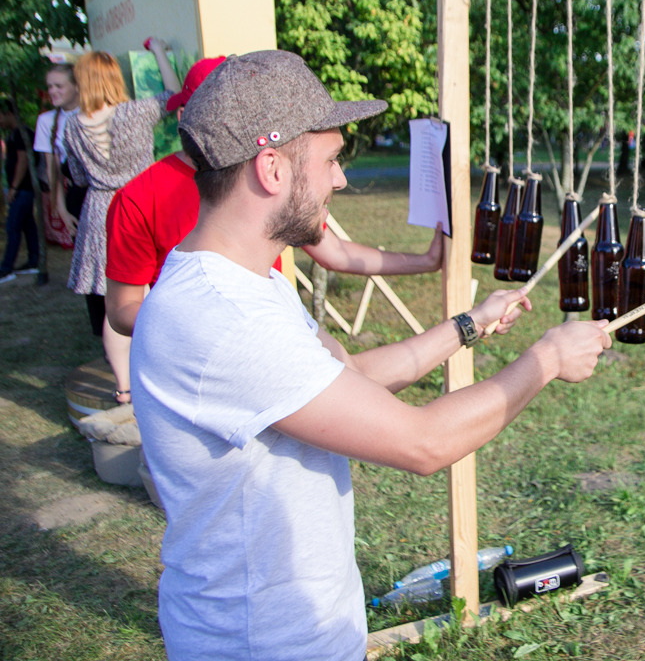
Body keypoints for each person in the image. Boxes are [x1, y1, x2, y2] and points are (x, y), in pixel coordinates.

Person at [131, 50, 611, 660]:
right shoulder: (223, 320)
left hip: (306, 630)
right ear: (271, 168)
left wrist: (468, 324)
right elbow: (423, 443)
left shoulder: (252, 281)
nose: (341, 179)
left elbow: (347, 374)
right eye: (330, 160)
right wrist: (546, 360)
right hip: (260, 644)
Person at [104, 56, 443, 336]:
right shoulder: (137, 198)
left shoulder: (272, 194)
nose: (339, 179)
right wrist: (208, 326)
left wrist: (425, 262)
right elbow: (122, 309)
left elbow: (334, 252)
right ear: (185, 119)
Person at [62, 40, 182, 403]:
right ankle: (156, 373)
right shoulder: (136, 112)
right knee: (145, 297)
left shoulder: (72, 125)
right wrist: (158, 50)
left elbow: (79, 178)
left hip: (99, 208)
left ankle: (123, 386)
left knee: (116, 305)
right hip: (141, 200)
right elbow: (175, 95)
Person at [34, 63, 83, 249]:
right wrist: (62, 210)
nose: (52, 91)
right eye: (50, 86)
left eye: (59, 86)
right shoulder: (46, 121)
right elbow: (52, 171)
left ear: (77, 86)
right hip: (76, 198)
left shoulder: (95, 113)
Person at [1, 98, 39, 282]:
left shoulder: (21, 133)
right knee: (27, 225)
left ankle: (6, 268)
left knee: (13, 226)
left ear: (8, 113)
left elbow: (23, 160)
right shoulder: (14, 134)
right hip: (22, 189)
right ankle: (34, 261)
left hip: (23, 189)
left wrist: (14, 187)